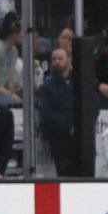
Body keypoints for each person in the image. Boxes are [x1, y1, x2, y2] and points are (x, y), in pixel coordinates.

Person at [38, 47, 75, 175]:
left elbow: (92, 103)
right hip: (59, 138)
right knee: (64, 171)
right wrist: (68, 127)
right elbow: (46, 114)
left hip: (81, 137)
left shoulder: (79, 82)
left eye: (60, 58)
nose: (57, 62)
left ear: (69, 60)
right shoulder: (47, 86)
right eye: (54, 59)